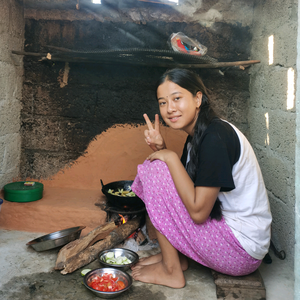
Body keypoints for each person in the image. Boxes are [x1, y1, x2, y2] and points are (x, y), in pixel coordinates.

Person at [130, 68, 272, 289]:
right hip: (230, 238)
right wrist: (163, 149)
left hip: (241, 252)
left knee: (155, 169)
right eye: (163, 102)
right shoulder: (198, 136)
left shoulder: (215, 138)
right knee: (159, 167)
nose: (170, 109)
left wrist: (168, 157)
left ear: (197, 99)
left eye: (177, 98)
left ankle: (171, 271)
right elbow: (180, 192)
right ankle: (178, 258)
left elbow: (197, 212)